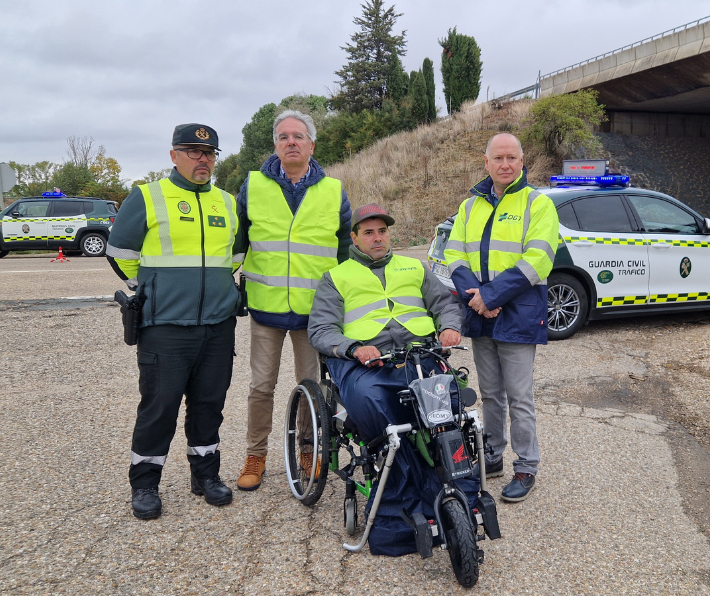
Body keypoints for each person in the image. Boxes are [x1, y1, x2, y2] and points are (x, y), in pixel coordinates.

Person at [308, 203, 466, 556]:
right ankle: (397, 507)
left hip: (418, 354)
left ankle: (458, 490)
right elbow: (320, 329)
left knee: (451, 402)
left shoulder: (415, 267)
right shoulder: (337, 277)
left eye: (382, 231)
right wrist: (352, 348)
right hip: (365, 363)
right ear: (355, 238)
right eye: (368, 232)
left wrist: (450, 327)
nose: (377, 238)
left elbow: (444, 305)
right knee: (377, 406)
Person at [107, 123, 245, 519]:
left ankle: (205, 476)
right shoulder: (148, 196)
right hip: (165, 325)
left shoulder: (226, 201)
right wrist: (152, 286)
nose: (203, 159)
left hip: (217, 326)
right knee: (159, 406)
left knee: (209, 405)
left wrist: (222, 292)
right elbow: (119, 251)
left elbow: (235, 257)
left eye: (210, 153)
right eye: (193, 151)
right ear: (173, 155)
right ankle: (145, 483)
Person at [234, 110, 351, 492]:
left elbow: (345, 252)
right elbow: (237, 245)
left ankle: (308, 448)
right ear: (275, 145)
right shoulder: (252, 186)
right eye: (283, 137)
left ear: (312, 145)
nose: (291, 142)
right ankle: (256, 454)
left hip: (313, 314)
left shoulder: (334, 191)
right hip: (266, 309)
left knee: (311, 386)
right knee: (261, 385)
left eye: (298, 136)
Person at [443, 132, 559, 502]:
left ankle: (526, 466)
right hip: (481, 312)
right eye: (499, 158)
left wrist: (491, 296)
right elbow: (454, 254)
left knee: (519, 395)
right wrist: (477, 298)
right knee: (491, 393)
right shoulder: (469, 206)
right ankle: (492, 454)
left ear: (522, 161)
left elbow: (538, 259)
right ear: (486, 162)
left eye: (512, 158)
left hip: (518, 312)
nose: (505, 164)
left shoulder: (537, 204)